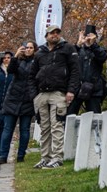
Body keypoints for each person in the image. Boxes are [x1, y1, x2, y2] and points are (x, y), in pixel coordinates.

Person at [32, 26, 78, 169]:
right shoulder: (39, 53)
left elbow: (75, 71)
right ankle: (45, 157)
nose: (55, 35)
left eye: (57, 33)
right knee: (44, 127)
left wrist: (71, 91)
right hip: (42, 94)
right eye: (52, 33)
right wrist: (34, 95)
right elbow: (31, 75)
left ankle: (57, 157)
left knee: (56, 125)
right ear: (46, 36)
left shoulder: (68, 49)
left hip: (59, 93)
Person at [0, 41, 38, 164]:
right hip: (13, 98)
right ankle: (3, 156)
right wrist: (15, 56)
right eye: (26, 48)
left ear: (35, 49)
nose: (28, 50)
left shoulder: (37, 62)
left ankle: (21, 155)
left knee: (24, 129)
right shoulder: (18, 61)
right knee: (8, 129)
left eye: (31, 48)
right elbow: (11, 70)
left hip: (27, 99)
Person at [69, 26, 107, 115]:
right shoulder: (78, 50)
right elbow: (69, 59)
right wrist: (78, 44)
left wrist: (93, 45)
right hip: (77, 88)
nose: (88, 39)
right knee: (69, 116)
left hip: (94, 89)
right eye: (86, 36)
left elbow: (102, 57)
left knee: (95, 118)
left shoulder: (98, 50)